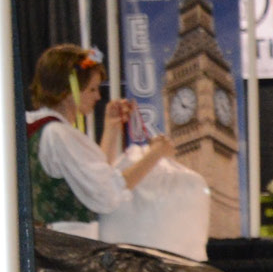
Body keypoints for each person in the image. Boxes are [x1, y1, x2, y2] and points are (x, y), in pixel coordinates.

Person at [24, 43, 177, 236]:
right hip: (72, 245)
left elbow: (94, 177)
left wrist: (111, 127)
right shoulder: (59, 134)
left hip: (55, 244)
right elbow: (108, 194)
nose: (98, 96)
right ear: (69, 90)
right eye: (92, 89)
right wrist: (156, 154)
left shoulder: (38, 127)